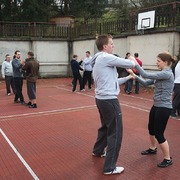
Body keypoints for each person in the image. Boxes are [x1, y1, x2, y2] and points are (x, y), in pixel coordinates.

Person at [91, 34, 135, 175]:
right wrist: (132, 59)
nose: (113, 46)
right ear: (105, 46)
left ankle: (98, 150)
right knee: (115, 132)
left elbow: (114, 81)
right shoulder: (105, 57)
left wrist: (128, 77)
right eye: (111, 43)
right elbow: (130, 64)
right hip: (109, 101)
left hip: (101, 99)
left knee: (105, 126)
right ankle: (110, 167)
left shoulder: (99, 59)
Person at [130, 52, 175, 168]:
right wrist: (134, 76)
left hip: (164, 108)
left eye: (158, 61)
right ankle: (152, 148)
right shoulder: (161, 74)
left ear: (165, 62)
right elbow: (145, 83)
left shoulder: (167, 74)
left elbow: (145, 74)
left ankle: (168, 158)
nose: (156, 63)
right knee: (151, 129)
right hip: (156, 106)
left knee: (159, 134)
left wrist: (135, 64)